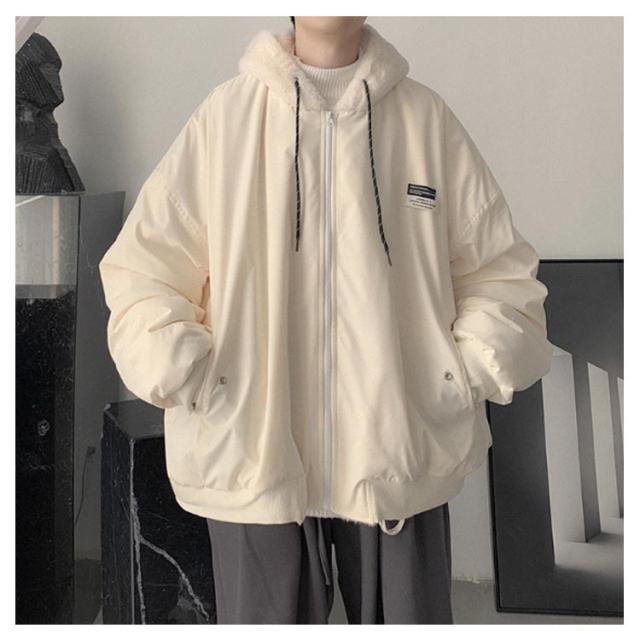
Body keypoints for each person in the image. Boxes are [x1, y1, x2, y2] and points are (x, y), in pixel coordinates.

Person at [99, 16, 554, 624]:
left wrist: (455, 375)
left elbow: (501, 273)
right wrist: (192, 372)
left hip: (399, 452)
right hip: (252, 450)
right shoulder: (226, 119)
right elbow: (144, 270)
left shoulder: (424, 120)